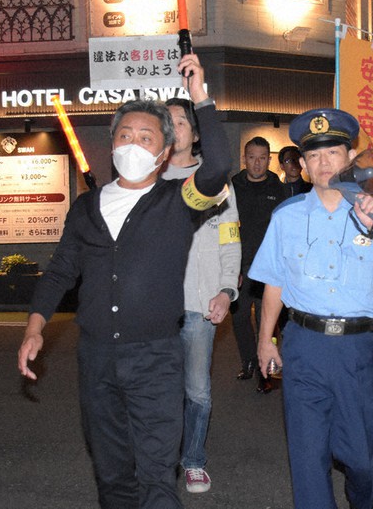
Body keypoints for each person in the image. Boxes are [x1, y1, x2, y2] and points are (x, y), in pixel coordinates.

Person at [17, 53, 231, 509]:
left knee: (156, 476)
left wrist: (201, 97)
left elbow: (217, 169)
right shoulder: (85, 207)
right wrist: (35, 327)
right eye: (125, 134)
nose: (133, 143)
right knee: (112, 474)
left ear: (164, 151)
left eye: (146, 136)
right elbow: (60, 271)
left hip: (155, 357)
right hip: (96, 359)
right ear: (112, 142)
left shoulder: (180, 200)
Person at [251, 108, 373, 509]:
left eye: (334, 153)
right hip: (304, 345)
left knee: (362, 459)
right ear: (303, 165)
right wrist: (266, 341)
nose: (324, 163)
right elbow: (274, 283)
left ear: (349, 158)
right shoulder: (285, 217)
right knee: (307, 458)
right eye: (314, 156)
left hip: (355, 350)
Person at [161, 97, 241, 493]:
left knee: (197, 392)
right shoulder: (147, 181)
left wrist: (227, 290)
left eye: (180, 121)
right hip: (154, 309)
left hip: (199, 306)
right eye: (167, 121)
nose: (174, 127)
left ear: (195, 133)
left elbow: (230, 238)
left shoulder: (215, 182)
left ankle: (193, 459)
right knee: (155, 390)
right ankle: (156, 460)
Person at [230, 136, 288, 392]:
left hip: (269, 268)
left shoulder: (280, 190)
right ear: (244, 159)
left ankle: (268, 370)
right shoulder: (231, 187)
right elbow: (224, 227)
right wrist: (229, 266)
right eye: (252, 157)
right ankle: (249, 362)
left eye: (262, 158)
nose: (257, 163)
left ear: (269, 160)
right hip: (238, 267)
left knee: (269, 320)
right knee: (240, 318)